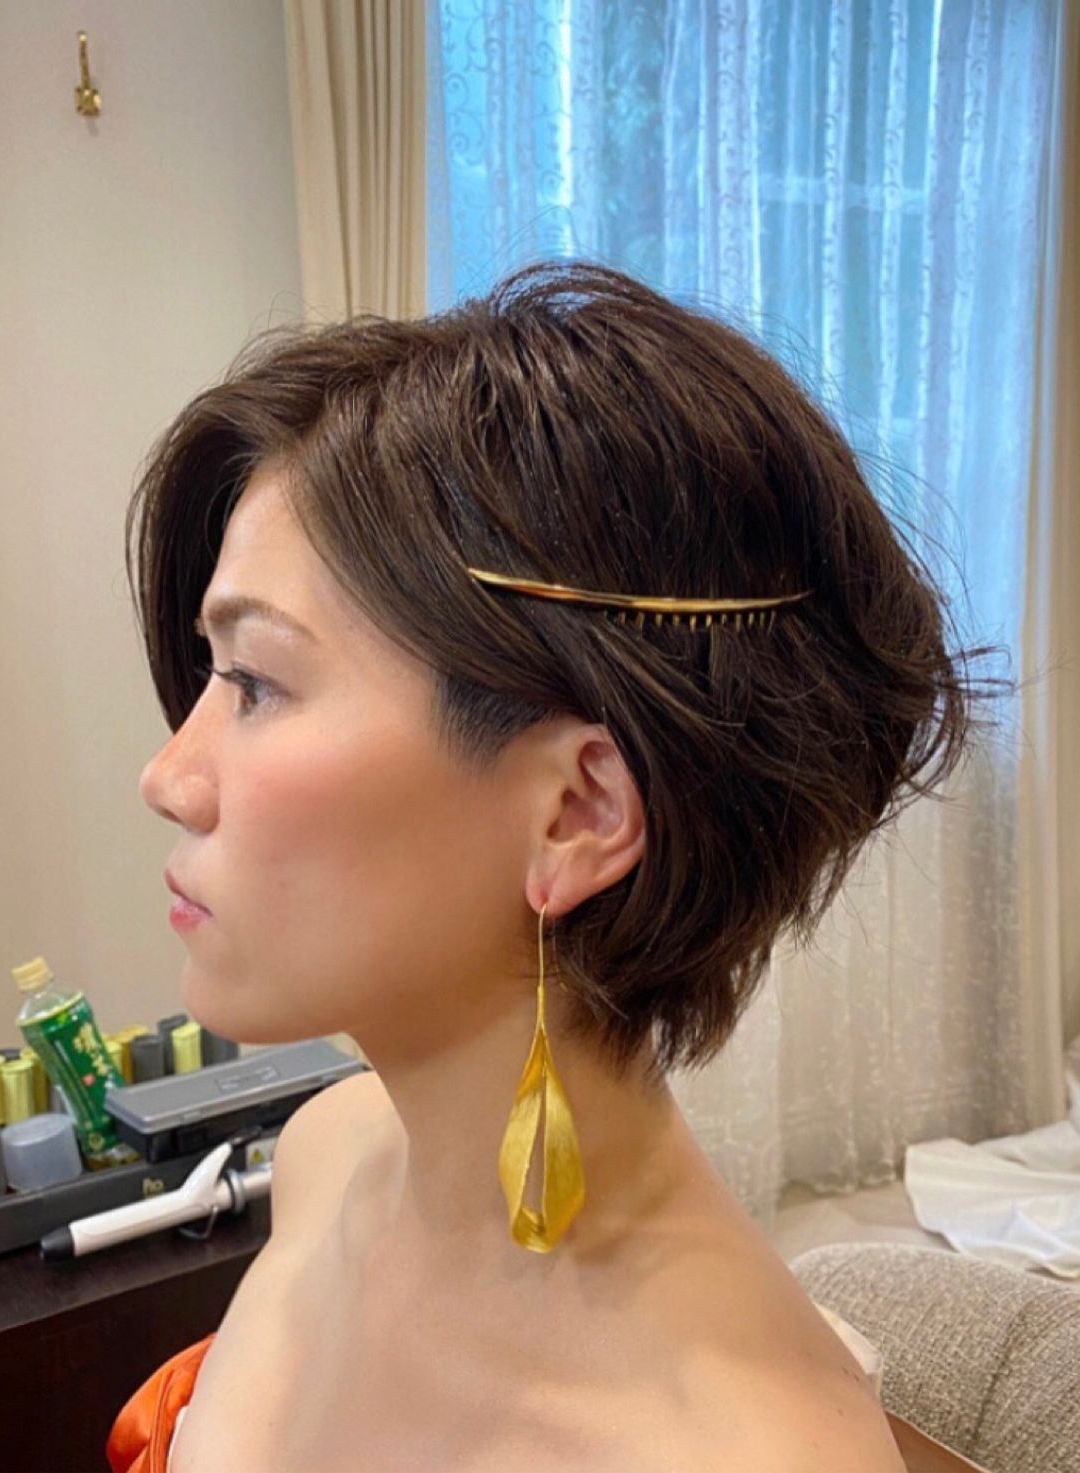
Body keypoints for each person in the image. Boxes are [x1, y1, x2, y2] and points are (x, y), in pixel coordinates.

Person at [111, 259, 999, 1472]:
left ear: (576, 813)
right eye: (212, 674)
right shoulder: (331, 1152)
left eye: (257, 682)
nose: (170, 776)